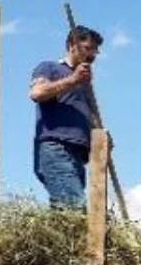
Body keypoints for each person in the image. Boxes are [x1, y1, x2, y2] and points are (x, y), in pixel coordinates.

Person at [29, 25, 104, 208]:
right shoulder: (50, 68)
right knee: (74, 207)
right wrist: (72, 80)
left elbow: (89, 118)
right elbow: (37, 93)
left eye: (95, 51)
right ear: (71, 45)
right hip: (57, 147)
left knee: (63, 211)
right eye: (87, 48)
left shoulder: (85, 83)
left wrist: (102, 138)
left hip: (78, 153)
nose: (92, 55)